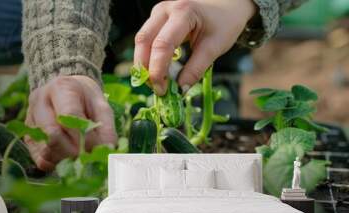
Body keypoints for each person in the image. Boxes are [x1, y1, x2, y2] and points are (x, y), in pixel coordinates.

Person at [22, 0, 308, 171]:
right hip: (107, 10)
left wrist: (244, 3)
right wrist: (65, 62)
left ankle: (224, 60)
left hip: (215, 15)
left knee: (214, 46)